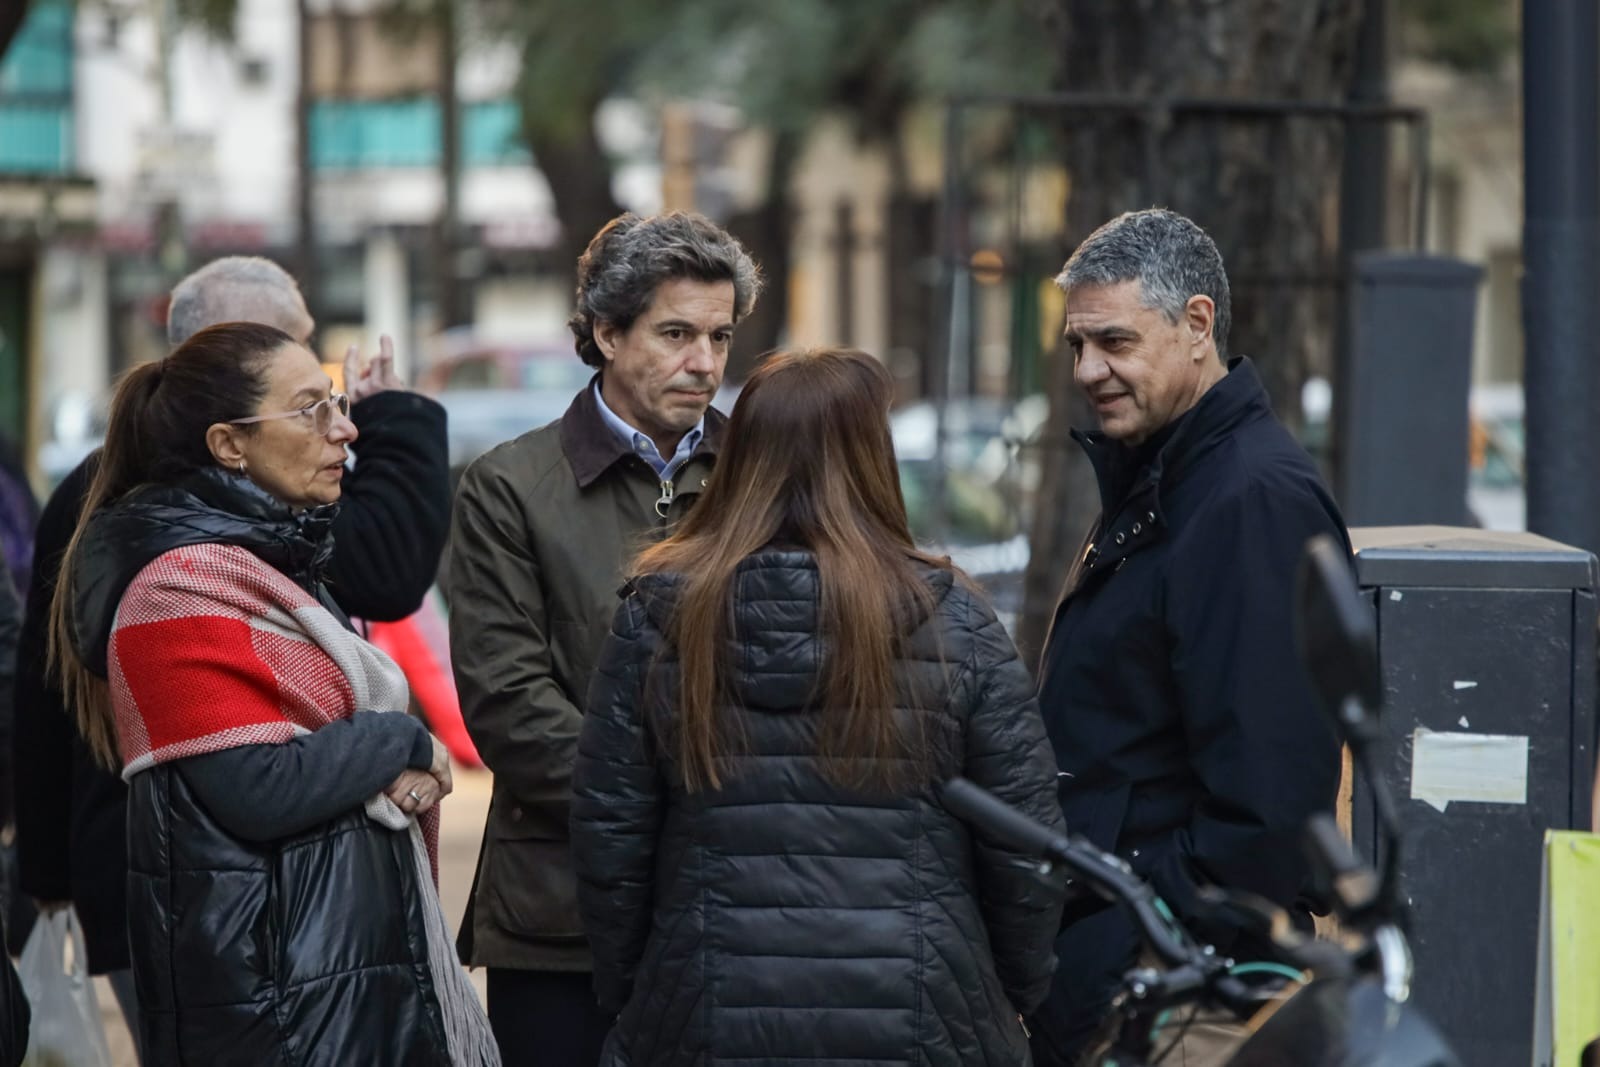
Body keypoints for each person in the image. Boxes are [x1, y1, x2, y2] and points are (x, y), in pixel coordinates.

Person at [570, 347, 1066, 1065]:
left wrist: (641, 993)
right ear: (872, 461)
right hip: (924, 1017)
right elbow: (1025, 845)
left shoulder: (657, 622)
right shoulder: (955, 624)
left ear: (741, 459)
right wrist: (1008, 993)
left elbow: (610, 843)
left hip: (706, 1013)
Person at [12, 255, 450, 1056]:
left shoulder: (280, 538)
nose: (343, 428)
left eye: (335, 399)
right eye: (311, 404)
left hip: (316, 931)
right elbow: (261, 785)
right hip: (250, 952)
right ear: (228, 440)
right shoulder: (176, 582)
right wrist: (404, 740)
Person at [1029, 208, 1351, 1067]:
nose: (1088, 369)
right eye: (1077, 345)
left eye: (1115, 342)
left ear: (1197, 324)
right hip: (1146, 974)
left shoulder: (1249, 500)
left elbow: (1268, 807)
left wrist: (1130, 929)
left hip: (1184, 991)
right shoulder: (1175, 477)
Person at [449, 212, 761, 1065]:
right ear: (607, 332)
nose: (705, 363)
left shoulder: (761, 472)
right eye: (676, 333)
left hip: (733, 907)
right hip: (564, 914)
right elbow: (509, 703)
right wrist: (668, 809)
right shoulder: (511, 486)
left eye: (720, 336)